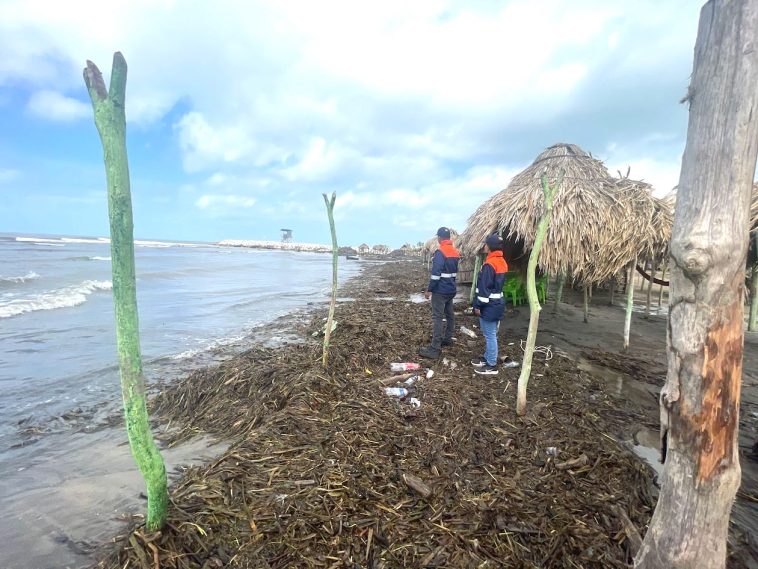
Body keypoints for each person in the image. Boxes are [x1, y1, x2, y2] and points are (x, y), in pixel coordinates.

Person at [419, 227, 460, 359]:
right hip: (451, 289)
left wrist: (429, 290)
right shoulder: (455, 252)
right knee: (449, 315)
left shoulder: (440, 252)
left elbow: (436, 274)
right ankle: (447, 338)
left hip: (440, 291)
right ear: (448, 238)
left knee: (437, 317)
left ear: (440, 238)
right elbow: (454, 273)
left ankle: (435, 348)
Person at [471, 234, 508, 374]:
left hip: (490, 305)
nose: (484, 246)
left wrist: (478, 306)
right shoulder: (501, 261)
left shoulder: (489, 264)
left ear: (490, 247)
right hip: (497, 303)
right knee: (490, 333)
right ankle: (487, 357)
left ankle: (491, 365)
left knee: (490, 335)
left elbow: (484, 290)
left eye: (486, 244)